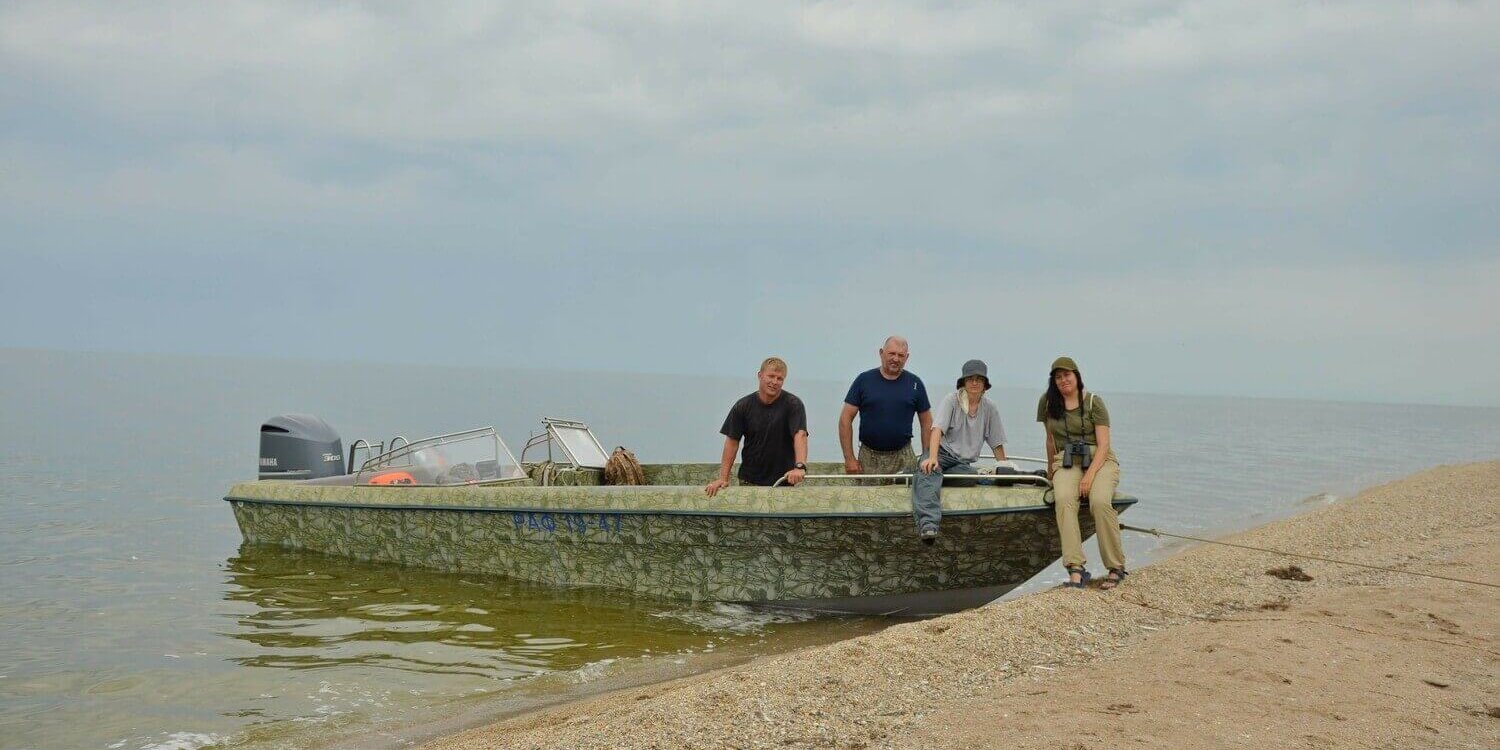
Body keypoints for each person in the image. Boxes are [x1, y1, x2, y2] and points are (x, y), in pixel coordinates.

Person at [1038, 356, 1126, 590]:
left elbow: (1104, 445)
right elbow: (1050, 440)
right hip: (1066, 460)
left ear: (1076, 376)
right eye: (1058, 377)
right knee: (1064, 500)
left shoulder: (1094, 402)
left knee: (1100, 502)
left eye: (1067, 375)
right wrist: (1050, 472)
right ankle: (1075, 569)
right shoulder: (1047, 403)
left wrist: (1088, 477)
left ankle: (1115, 566)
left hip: (1099, 459)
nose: (1063, 380)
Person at [911, 359, 1008, 543]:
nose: (974, 382)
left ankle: (917, 472)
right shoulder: (952, 400)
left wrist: (1005, 470)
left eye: (979, 379)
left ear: (985, 384)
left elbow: (997, 443)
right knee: (929, 470)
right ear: (963, 382)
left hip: (962, 463)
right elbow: (937, 430)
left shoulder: (990, 408)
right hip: (941, 453)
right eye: (970, 378)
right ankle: (928, 525)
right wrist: (932, 458)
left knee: (970, 477)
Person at [704, 357, 809, 497]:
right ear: (760, 375)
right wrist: (723, 478)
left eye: (779, 378)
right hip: (749, 481)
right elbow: (732, 442)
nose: (774, 382)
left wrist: (800, 467)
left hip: (783, 481)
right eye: (771, 376)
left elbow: (800, 435)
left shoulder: (793, 404)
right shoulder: (742, 406)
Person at [838, 336, 933, 484]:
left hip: (904, 458)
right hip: (869, 458)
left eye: (900, 355)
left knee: (907, 498)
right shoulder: (863, 380)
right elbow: (845, 419)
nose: (896, 359)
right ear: (881, 353)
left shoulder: (915, 383)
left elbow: (927, 422)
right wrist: (849, 458)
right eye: (891, 353)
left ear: (907, 357)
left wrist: (927, 456)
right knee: (867, 499)